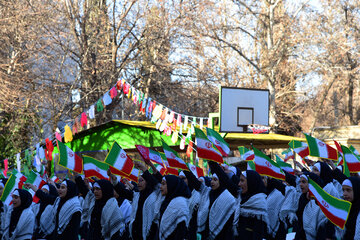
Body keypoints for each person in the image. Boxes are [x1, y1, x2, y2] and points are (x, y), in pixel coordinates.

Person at [111, 161, 162, 240]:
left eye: (141, 181)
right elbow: (123, 192)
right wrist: (115, 181)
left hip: (150, 236)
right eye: (138, 181)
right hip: (136, 235)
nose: (138, 184)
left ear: (148, 182)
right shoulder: (137, 195)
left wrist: (145, 169)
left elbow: (155, 183)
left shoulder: (156, 195)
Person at [196, 162, 236, 240]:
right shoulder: (209, 193)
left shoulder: (229, 197)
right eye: (211, 179)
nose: (212, 182)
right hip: (206, 234)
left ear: (221, 181)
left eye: (215, 180)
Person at [237, 170, 268, 240]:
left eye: (242, 181)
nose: (239, 184)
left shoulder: (259, 202)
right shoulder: (241, 198)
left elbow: (259, 233)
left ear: (251, 182)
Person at [158, 175, 191, 240]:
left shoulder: (180, 203)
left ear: (171, 185)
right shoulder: (166, 201)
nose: (160, 187)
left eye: (163, 184)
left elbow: (181, 230)